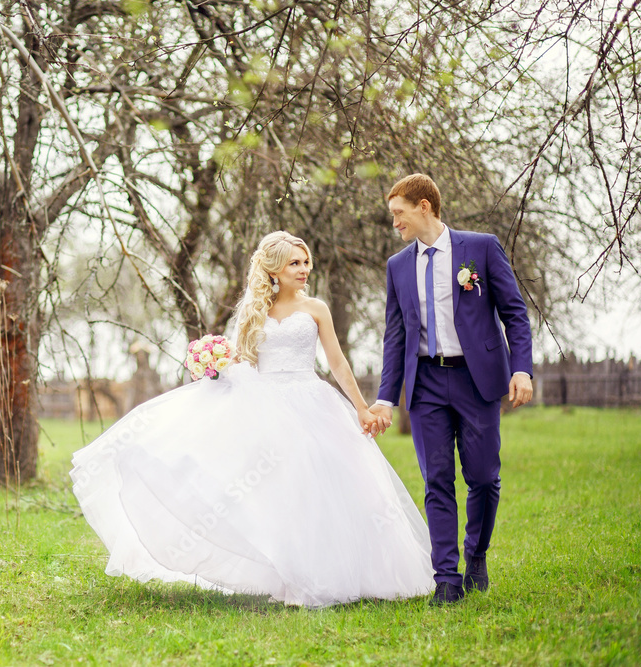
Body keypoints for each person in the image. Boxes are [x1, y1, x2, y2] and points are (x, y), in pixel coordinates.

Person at [70, 231, 434, 608]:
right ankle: (284, 574)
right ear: (274, 269)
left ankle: (335, 571)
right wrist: (215, 367)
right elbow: (245, 363)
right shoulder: (252, 310)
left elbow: (338, 363)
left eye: (306, 262)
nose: (304, 269)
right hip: (264, 403)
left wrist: (360, 406)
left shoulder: (316, 309)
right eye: (295, 262)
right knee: (273, 491)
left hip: (310, 399)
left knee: (316, 483)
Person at [369, 174, 534, 605]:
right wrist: (387, 396)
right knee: (436, 479)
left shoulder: (480, 248)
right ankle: (446, 577)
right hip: (425, 385)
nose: (395, 223)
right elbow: (395, 336)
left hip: (476, 380)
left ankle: (476, 554)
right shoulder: (398, 266)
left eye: (399, 214)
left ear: (424, 206)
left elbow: (515, 313)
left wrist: (522, 370)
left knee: (483, 476)